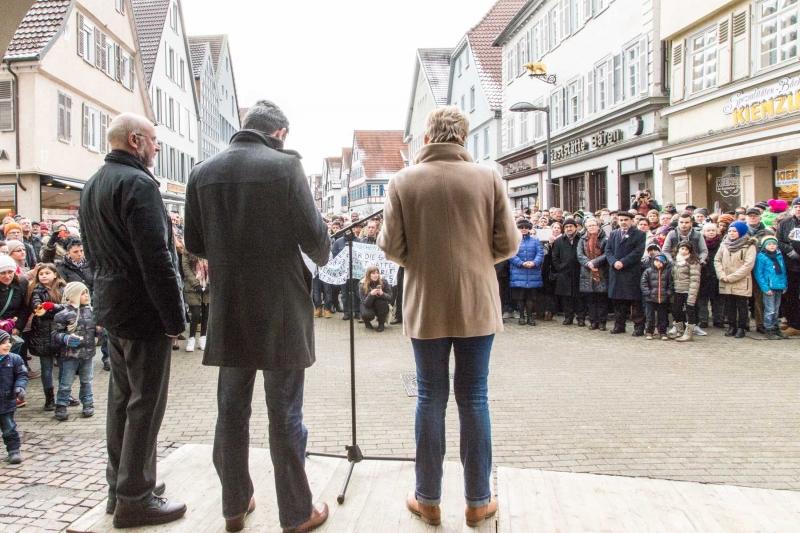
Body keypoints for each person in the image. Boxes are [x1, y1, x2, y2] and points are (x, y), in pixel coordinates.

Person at [184, 101, 331, 533]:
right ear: (280, 133)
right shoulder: (286, 168)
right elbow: (317, 241)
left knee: (231, 411)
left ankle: (234, 504)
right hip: (281, 307)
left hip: (229, 307)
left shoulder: (202, 172)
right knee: (284, 412)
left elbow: (196, 241)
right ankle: (296, 513)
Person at [378, 105, 519, 528]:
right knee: (474, 397)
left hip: (425, 305)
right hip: (476, 302)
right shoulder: (488, 176)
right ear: (464, 138)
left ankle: (428, 499)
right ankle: (478, 502)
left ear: (426, 138)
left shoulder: (403, 181)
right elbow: (509, 242)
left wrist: (423, 261)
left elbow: (390, 247)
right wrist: (476, 261)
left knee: (429, 398)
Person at [80, 113, 186, 528]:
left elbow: (91, 253)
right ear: (135, 139)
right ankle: (135, 499)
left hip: (114, 309)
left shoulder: (93, 183)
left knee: (122, 402)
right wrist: (175, 318)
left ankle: (120, 486)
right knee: (146, 405)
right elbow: (157, 258)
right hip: (144, 312)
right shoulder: (139, 184)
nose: (158, 147)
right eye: (154, 140)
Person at [51, 282, 98, 420]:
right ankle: (61, 405)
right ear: (73, 296)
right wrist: (65, 338)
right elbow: (54, 334)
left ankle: (88, 403)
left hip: (88, 353)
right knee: (66, 381)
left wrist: (100, 330)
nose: (86, 296)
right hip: (69, 354)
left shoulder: (91, 311)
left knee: (87, 380)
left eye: (86, 293)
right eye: (82, 294)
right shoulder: (63, 314)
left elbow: (96, 332)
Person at [25, 263, 66, 411]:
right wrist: (57, 310)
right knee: (46, 367)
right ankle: (49, 397)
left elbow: (69, 306)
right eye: (41, 274)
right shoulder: (36, 291)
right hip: (42, 334)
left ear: (55, 274)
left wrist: (52, 308)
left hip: (60, 332)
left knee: (63, 366)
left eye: (47, 273)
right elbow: (39, 310)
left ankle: (64, 394)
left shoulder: (63, 289)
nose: (43, 276)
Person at [606, 211, 646, 335]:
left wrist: (623, 262)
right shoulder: (613, 234)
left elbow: (638, 252)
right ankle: (619, 325)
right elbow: (608, 250)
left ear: (632, 221)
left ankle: (639, 327)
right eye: (621, 220)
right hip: (616, 272)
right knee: (618, 301)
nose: (623, 222)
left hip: (631, 271)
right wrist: (614, 262)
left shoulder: (639, 234)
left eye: (626, 220)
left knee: (635, 301)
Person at [715, 221, 757, 339]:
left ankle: (741, 328)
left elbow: (748, 265)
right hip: (725, 279)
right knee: (729, 305)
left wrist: (732, 277)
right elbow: (717, 260)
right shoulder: (724, 244)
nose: (731, 233)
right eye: (730, 231)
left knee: (742, 305)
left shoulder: (749, 245)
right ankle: (732, 326)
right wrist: (721, 274)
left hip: (741, 280)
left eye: (734, 231)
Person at [509, 218, 543, 326]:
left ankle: (530, 316)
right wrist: (521, 263)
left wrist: (534, 262)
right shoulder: (513, 240)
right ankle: (521, 316)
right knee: (520, 296)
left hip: (532, 272)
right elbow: (511, 254)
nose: (524, 229)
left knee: (530, 297)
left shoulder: (535, 240)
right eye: (521, 228)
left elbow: (540, 253)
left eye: (526, 227)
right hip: (518, 272)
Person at [577, 218, 609, 330]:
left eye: (593, 225)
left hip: (601, 271)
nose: (591, 227)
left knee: (601, 299)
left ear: (598, 226)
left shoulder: (605, 239)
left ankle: (602, 322)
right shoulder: (582, 239)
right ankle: (593, 321)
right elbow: (580, 254)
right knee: (590, 299)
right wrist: (588, 264)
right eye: (589, 226)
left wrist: (595, 262)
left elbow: (606, 254)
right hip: (587, 272)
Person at [0, 330, 27, 464]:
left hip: (6, 401)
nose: (7, 345)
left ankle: (13, 450)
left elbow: (21, 375)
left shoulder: (15, 359)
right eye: (3, 343)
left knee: (9, 427)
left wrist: (19, 387)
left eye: (8, 342)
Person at [552, 218, 584, 326]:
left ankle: (581, 318)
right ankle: (568, 317)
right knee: (566, 297)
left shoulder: (582, 239)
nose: (569, 229)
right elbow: (554, 256)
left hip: (579, 272)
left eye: (571, 226)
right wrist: (559, 267)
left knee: (579, 297)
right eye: (566, 227)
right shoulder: (559, 241)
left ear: (576, 227)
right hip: (564, 273)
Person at [755, 235, 787, 340]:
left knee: (776, 309)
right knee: (770, 309)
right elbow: (758, 274)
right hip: (769, 287)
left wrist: (784, 285)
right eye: (769, 244)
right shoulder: (761, 257)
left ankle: (776, 327)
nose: (772, 246)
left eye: (774, 244)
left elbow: (783, 272)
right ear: (764, 246)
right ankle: (768, 328)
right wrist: (765, 288)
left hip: (779, 286)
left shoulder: (779, 256)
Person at [777, 198, 800, 336]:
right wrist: (790, 250)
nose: (798, 209)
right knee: (790, 296)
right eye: (796, 207)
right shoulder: (785, 223)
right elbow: (778, 240)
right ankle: (793, 324)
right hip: (791, 265)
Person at [670, 241, 702, 342]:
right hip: (677, 289)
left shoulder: (693, 262)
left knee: (690, 311)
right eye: (682, 248)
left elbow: (695, 279)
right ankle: (679, 330)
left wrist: (692, 295)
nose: (684, 251)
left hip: (688, 290)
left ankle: (689, 333)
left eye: (686, 249)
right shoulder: (676, 261)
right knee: (676, 310)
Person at [745, 208, 769, 333]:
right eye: (750, 216)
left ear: (760, 217)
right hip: (744, 270)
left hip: (761, 270)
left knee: (760, 299)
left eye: (755, 216)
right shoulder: (740, 231)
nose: (752, 218)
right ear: (746, 217)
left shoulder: (767, 232)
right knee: (743, 298)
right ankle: (744, 324)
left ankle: (761, 324)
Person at [697, 223, 724, 329]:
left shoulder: (722, 243)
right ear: (704, 232)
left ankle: (718, 319)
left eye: (713, 230)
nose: (711, 232)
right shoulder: (700, 243)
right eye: (708, 230)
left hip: (717, 273)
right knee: (703, 299)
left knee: (718, 299)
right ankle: (703, 320)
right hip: (703, 274)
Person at [182, 251, 209, 352]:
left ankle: (203, 337)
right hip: (192, 286)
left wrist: (209, 283)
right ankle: (191, 338)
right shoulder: (187, 248)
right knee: (195, 313)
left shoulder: (209, 244)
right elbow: (185, 267)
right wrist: (196, 284)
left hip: (207, 284)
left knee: (206, 313)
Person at [641, 253, 672, 340]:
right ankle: (649, 331)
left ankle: (662, 332)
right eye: (656, 261)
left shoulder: (667, 272)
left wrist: (668, 294)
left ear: (665, 262)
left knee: (662, 317)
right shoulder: (648, 271)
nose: (658, 263)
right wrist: (648, 293)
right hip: (650, 299)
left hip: (663, 298)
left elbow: (670, 284)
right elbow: (644, 284)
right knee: (650, 316)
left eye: (661, 262)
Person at [358, 265, 392, 331]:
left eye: (377, 273)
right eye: (373, 273)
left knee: (382, 303)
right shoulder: (362, 283)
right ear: (368, 274)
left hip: (379, 304)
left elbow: (390, 297)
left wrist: (382, 294)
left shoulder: (383, 281)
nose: (376, 275)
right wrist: (371, 294)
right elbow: (365, 303)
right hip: (368, 305)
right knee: (367, 314)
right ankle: (367, 322)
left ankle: (381, 324)